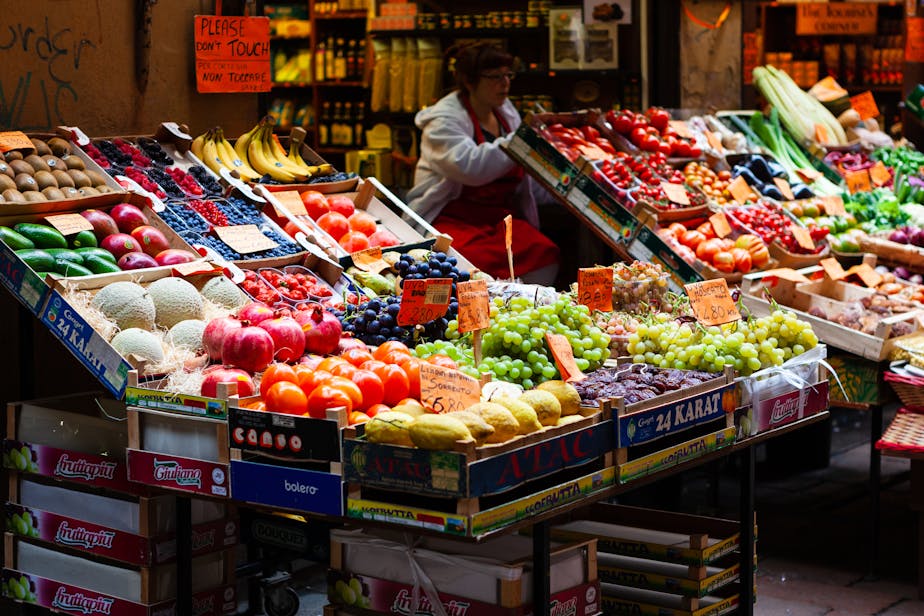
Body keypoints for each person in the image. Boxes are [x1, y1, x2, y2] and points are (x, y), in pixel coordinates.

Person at [405, 42, 560, 285]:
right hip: (453, 216)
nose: (505, 83)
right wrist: (522, 140)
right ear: (469, 82)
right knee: (465, 264)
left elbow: (524, 169)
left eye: (508, 75)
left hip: (498, 217)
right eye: (494, 77)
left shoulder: (504, 112)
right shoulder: (442, 121)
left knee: (542, 251)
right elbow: (471, 168)